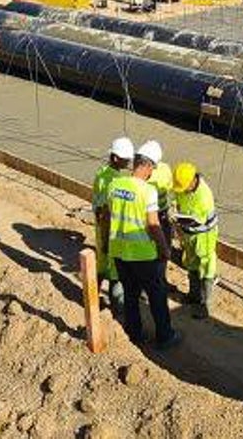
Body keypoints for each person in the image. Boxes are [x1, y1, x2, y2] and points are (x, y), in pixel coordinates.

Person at [100, 146, 182, 350]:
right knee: (157, 295)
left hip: (119, 252)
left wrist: (105, 243)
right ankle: (165, 335)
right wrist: (165, 249)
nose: (152, 173)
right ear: (147, 166)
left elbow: (107, 218)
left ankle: (134, 333)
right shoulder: (148, 191)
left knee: (130, 294)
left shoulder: (114, 184)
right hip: (143, 255)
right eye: (152, 169)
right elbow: (153, 225)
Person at [172, 162, 218, 319]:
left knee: (205, 266)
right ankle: (193, 296)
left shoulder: (204, 196)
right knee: (191, 263)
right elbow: (178, 201)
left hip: (203, 235)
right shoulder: (183, 186)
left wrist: (182, 222)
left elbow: (198, 220)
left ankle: (203, 304)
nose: (181, 191)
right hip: (189, 234)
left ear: (193, 181)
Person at [92, 136, 133, 307]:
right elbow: (105, 212)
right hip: (110, 231)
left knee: (101, 267)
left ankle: (91, 298)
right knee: (115, 271)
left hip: (101, 230)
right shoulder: (115, 181)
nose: (129, 162)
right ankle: (118, 306)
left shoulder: (102, 173)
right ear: (116, 158)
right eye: (126, 159)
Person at [139, 140, 175, 248]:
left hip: (147, 212)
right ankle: (165, 252)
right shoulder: (165, 168)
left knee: (150, 238)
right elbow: (170, 188)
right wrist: (173, 205)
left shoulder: (143, 171)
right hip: (163, 209)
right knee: (165, 235)